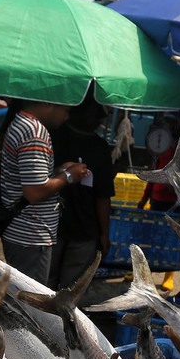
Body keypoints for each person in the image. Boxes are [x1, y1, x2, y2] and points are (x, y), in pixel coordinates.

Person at [0, 99, 88, 285]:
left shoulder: (20, 123)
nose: (67, 116)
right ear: (48, 103)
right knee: (29, 302)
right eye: (66, 109)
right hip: (31, 234)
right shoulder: (34, 133)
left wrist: (56, 173)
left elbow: (29, 178)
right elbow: (35, 192)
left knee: (19, 294)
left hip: (20, 230)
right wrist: (69, 176)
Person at [48, 92, 114, 289]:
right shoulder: (55, 137)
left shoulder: (54, 136)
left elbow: (103, 196)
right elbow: (103, 197)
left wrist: (103, 233)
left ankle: (50, 319)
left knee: (47, 285)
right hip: (59, 228)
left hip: (73, 230)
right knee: (67, 288)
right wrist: (104, 234)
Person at [137, 113, 180, 212]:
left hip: (172, 200)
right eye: (167, 123)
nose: (169, 126)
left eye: (172, 124)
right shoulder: (160, 152)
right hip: (156, 199)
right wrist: (144, 199)